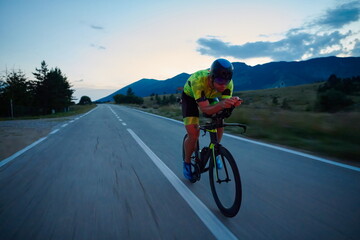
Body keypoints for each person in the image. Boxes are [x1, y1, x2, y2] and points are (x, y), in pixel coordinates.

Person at [181, 58, 243, 180]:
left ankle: (216, 151)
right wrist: (222, 104)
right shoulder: (199, 80)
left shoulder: (228, 84)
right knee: (193, 134)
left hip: (209, 96)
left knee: (220, 120)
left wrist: (231, 106)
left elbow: (224, 109)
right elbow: (205, 110)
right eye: (220, 81)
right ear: (211, 77)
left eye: (226, 81)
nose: (223, 85)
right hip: (190, 98)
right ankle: (187, 163)